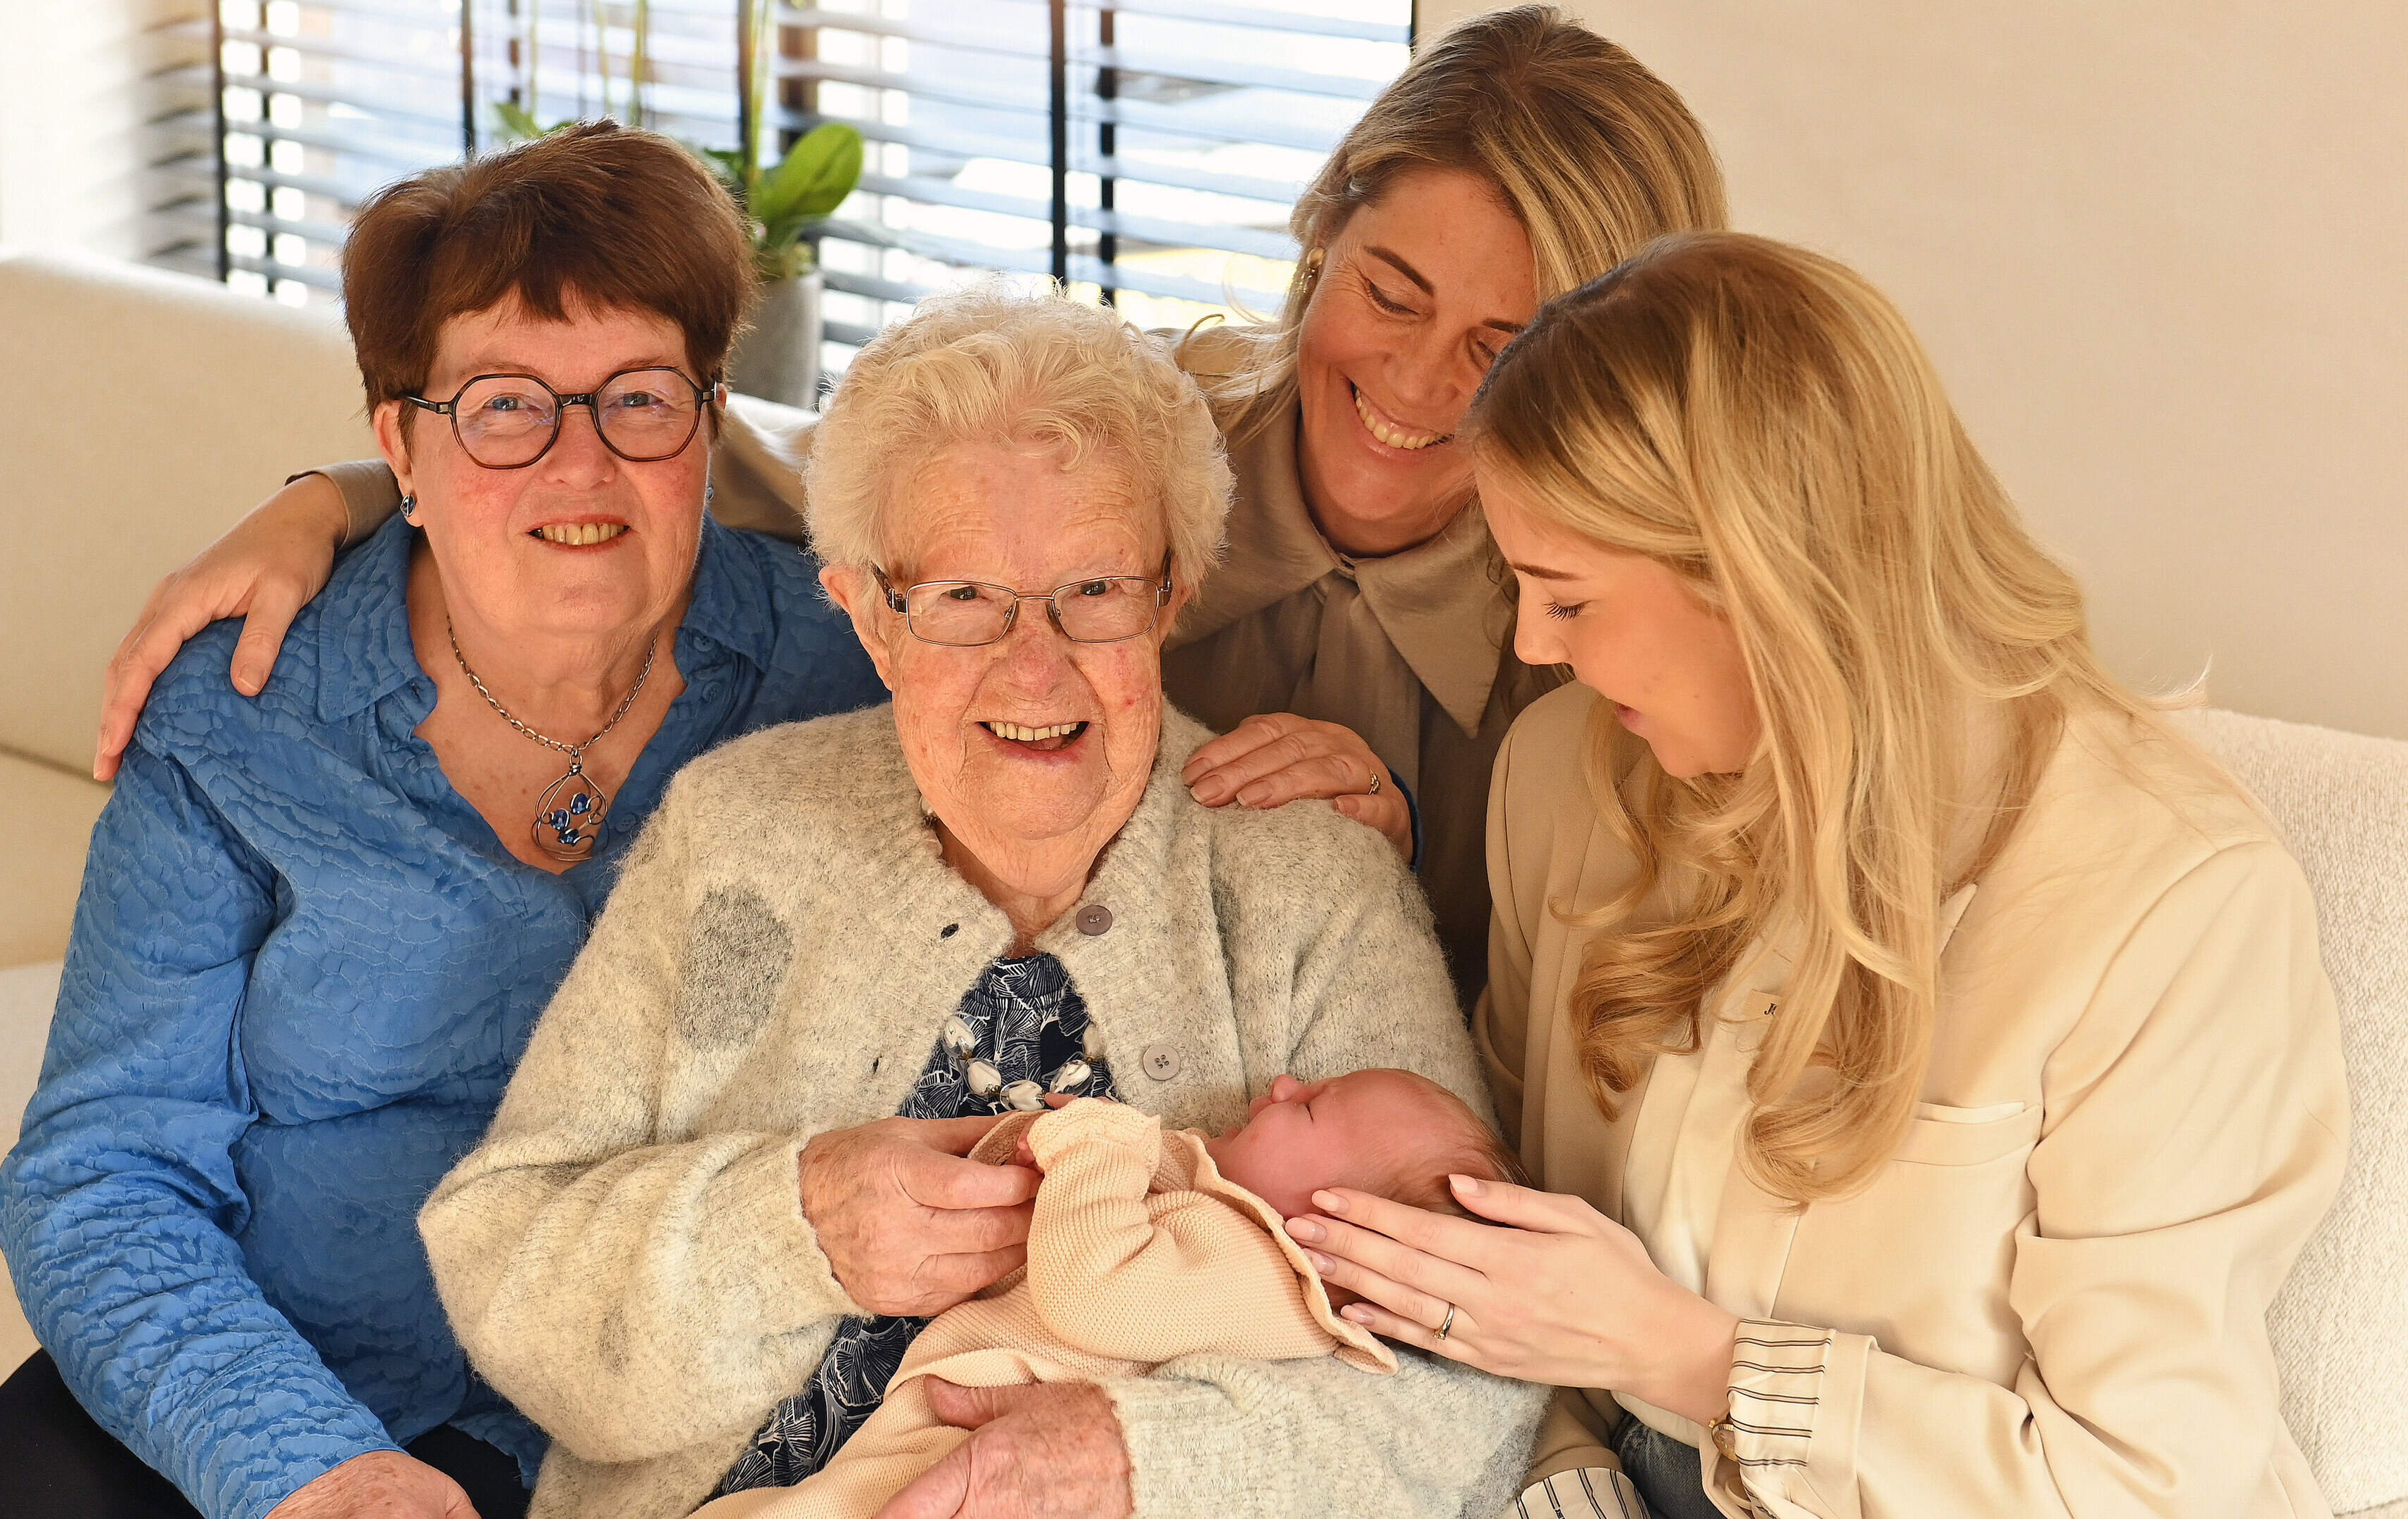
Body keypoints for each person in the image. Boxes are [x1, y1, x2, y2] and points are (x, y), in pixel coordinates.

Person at [84, 6, 1732, 999]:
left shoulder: (1618, 635)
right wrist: (359, 492)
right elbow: (747, 470)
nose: (1423, 383)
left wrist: (1405, 858)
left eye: (1504, 350)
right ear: (1319, 236)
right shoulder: (1110, 433)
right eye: (1388, 291)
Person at [0, 124, 889, 1519]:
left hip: (643, 1414)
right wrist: (315, 1468)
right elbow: (100, 1172)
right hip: (262, 1360)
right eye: (501, 405)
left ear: (710, 426)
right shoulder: (244, 707)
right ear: (397, 449)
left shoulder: (850, 678)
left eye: (639, 400)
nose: (577, 463)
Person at [414, 288, 1547, 1519]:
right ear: (867, 616)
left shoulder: (1305, 885)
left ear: (1175, 595)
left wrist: (1139, 1459)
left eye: (1097, 591)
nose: (1035, 664)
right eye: (962, 600)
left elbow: (1475, 1379)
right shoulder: (739, 833)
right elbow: (505, 1255)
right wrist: (790, 1226)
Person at [1275, 233, 2349, 1518]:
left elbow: (2155, 1487)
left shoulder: (2172, 906)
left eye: (1566, 595)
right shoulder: (1564, 776)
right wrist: (1564, 1462)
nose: (1531, 646)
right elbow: (1505, 1227)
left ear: (1759, 580)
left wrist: (1683, 1359)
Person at [692, 1072, 1520, 1519]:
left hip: (957, 1465)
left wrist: (1099, 1141)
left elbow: (1094, 1290)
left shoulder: (1264, 1275)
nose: (1281, 1083)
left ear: (1335, 1232)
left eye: (1305, 1111)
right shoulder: (1231, 1234)